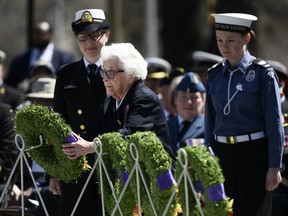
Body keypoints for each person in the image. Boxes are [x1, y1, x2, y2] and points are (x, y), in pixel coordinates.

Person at [205, 13, 284, 216]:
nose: (224, 46)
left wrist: (274, 166)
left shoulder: (262, 73)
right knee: (224, 212)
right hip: (223, 154)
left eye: (231, 40)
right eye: (219, 40)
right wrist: (208, 157)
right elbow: (210, 121)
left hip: (254, 154)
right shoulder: (214, 74)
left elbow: (274, 123)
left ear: (247, 38)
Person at [61, 42, 175, 171]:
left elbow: (129, 135)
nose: (105, 79)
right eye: (104, 72)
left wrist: (93, 146)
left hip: (157, 178)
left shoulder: (144, 98)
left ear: (131, 74)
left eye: (111, 72)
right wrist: (69, 142)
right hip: (127, 177)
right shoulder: (110, 101)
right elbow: (91, 135)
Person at [50, 8, 110, 216]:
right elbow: (59, 121)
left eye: (95, 36)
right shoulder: (67, 74)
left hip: (109, 159)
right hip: (76, 163)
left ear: (107, 35)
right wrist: (55, 171)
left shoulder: (119, 70)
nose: (89, 43)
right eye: (83, 37)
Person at [4, 21, 76, 89]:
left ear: (50, 35)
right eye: (35, 34)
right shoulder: (20, 59)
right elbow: (10, 84)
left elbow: (71, 82)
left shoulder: (65, 58)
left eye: (41, 34)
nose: (37, 37)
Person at [167, 72, 206, 156]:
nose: (188, 102)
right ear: (175, 99)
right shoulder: (166, 127)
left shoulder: (209, 127)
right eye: (183, 97)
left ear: (203, 100)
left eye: (194, 97)